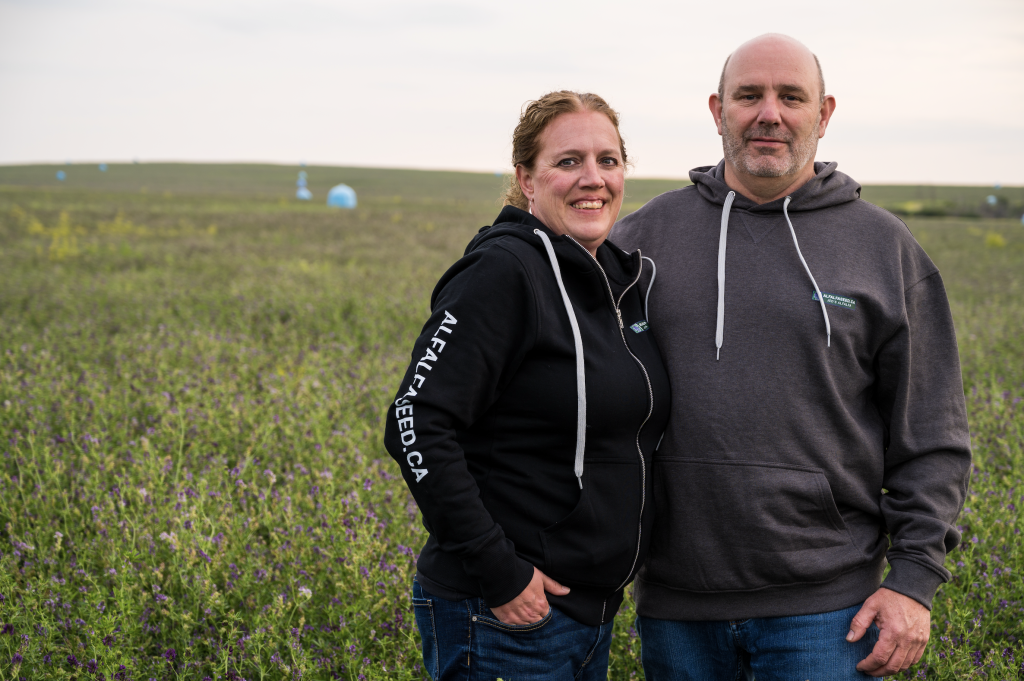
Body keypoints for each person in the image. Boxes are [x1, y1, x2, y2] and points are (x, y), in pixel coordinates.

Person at [611, 34, 971, 680]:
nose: (768, 113)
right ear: (718, 110)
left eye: (791, 97)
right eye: (748, 95)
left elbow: (933, 438)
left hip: (830, 610)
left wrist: (914, 579)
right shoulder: (641, 240)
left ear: (824, 113)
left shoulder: (883, 250)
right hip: (676, 607)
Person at [384, 91, 671, 680]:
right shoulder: (503, 273)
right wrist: (500, 572)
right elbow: (414, 418)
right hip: (504, 619)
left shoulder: (617, 280)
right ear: (527, 179)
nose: (593, 179)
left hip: (587, 617)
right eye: (568, 161)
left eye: (608, 160)